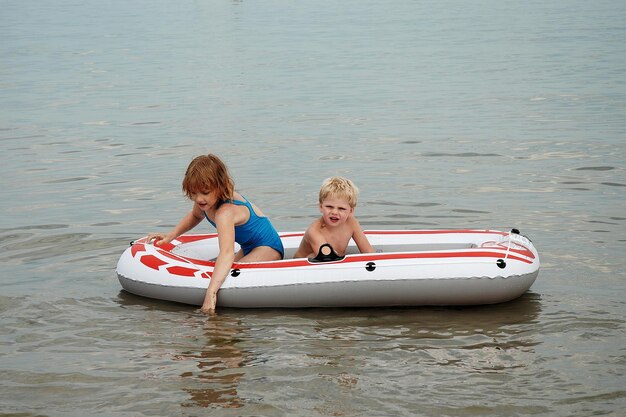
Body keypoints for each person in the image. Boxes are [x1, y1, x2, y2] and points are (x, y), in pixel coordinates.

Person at [147, 154, 284, 313]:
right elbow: (195, 216)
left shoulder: (224, 213)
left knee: (230, 276)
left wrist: (210, 293)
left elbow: (226, 253)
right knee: (219, 271)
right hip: (249, 247)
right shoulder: (205, 201)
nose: (199, 199)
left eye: (205, 192)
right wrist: (171, 235)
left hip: (267, 248)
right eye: (194, 193)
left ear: (220, 187)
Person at [294, 176, 374, 259]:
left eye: (341, 208)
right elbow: (328, 258)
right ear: (321, 206)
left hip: (332, 261)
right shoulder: (314, 231)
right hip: (302, 267)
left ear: (351, 211)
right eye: (329, 206)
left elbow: (368, 252)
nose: (334, 212)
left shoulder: (351, 223)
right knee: (313, 256)